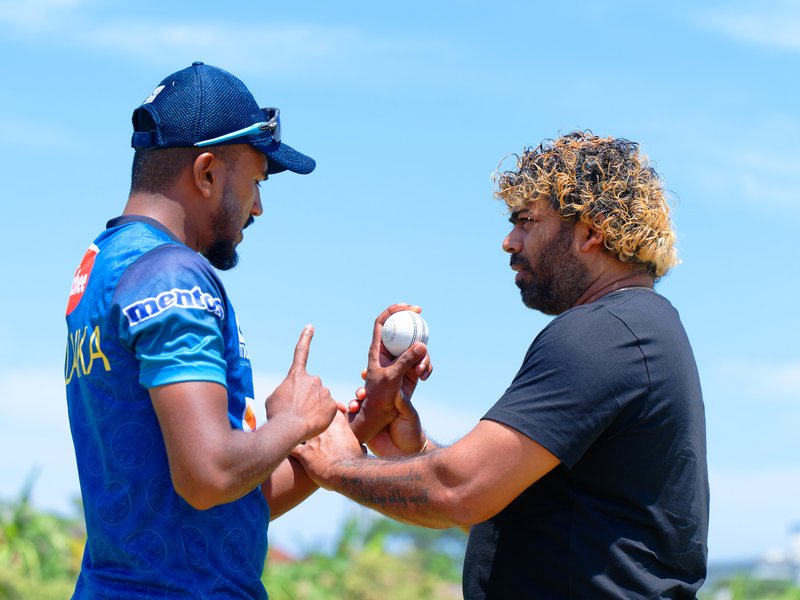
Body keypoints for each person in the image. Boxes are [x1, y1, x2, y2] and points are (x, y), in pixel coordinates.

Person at [63, 61, 430, 599]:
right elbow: (210, 475)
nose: (258, 206)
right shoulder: (174, 276)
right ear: (207, 173)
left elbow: (229, 502)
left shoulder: (105, 266)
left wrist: (364, 420)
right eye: (256, 181)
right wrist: (293, 421)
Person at [294, 131, 710, 599]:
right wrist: (412, 451)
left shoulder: (603, 334)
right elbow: (513, 510)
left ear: (592, 231)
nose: (509, 242)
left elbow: (459, 491)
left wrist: (339, 465)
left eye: (526, 221)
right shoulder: (640, 328)